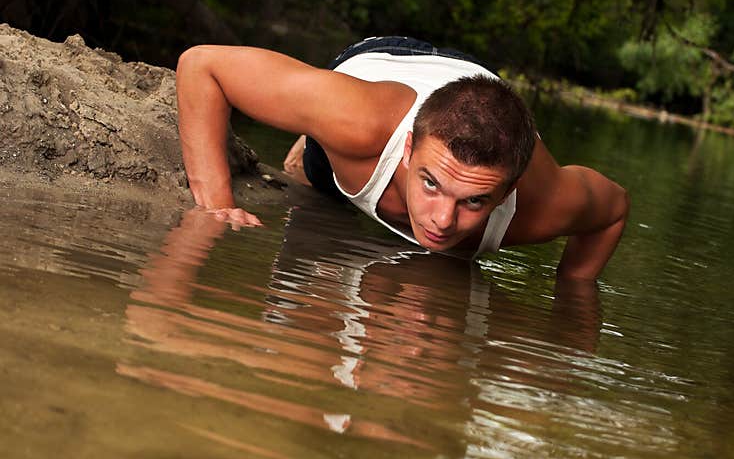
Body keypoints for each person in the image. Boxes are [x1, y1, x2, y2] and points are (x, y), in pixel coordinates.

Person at [175, 36, 629, 280]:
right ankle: (311, 146)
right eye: (432, 183)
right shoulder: (359, 121)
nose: (443, 220)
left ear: (508, 191)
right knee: (318, 176)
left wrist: (573, 294)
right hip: (379, 69)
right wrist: (214, 207)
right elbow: (202, 65)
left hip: (483, 89)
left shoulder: (543, 203)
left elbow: (614, 210)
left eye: (473, 201)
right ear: (409, 150)